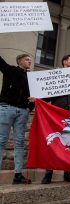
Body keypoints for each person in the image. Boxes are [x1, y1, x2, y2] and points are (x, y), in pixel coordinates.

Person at [41, 55, 70, 184]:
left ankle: (68, 172)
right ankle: (48, 172)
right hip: (57, 114)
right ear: (65, 61)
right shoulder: (56, 75)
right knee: (54, 143)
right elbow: (46, 93)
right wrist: (38, 100)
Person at [0, 54, 34, 184]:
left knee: (19, 143)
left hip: (23, 111)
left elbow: (36, 93)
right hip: (7, 108)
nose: (29, 61)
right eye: (27, 59)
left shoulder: (32, 78)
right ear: (19, 61)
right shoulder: (10, 70)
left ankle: (18, 175)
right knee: (1, 140)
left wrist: (31, 105)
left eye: (30, 59)